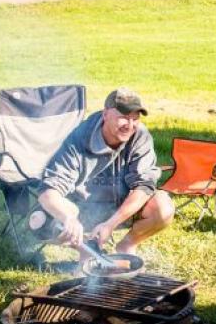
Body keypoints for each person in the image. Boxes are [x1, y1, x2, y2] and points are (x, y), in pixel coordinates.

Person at [36, 87, 175, 256]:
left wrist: (110, 224)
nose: (130, 126)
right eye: (123, 118)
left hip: (119, 206)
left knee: (163, 208)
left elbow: (144, 186)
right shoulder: (79, 139)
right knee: (38, 221)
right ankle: (87, 251)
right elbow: (48, 191)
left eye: (135, 119)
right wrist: (68, 218)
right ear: (105, 114)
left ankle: (126, 246)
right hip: (82, 209)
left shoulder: (139, 135)